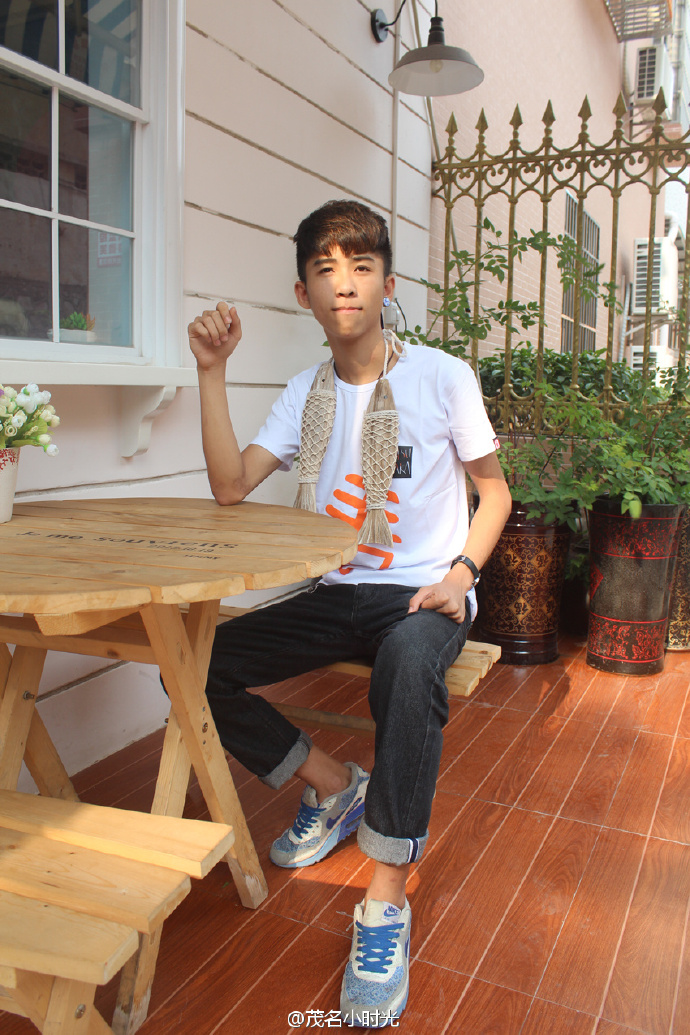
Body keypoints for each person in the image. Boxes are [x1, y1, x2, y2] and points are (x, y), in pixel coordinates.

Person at [188, 200, 512, 1028]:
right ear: (304, 293)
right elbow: (230, 485)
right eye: (326, 269)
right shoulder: (306, 392)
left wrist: (462, 574)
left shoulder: (441, 376)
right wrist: (212, 372)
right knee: (197, 663)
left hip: (425, 592)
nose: (345, 283)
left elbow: (495, 492)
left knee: (406, 663)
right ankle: (334, 786)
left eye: (362, 267)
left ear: (387, 285)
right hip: (336, 590)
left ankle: (385, 899)